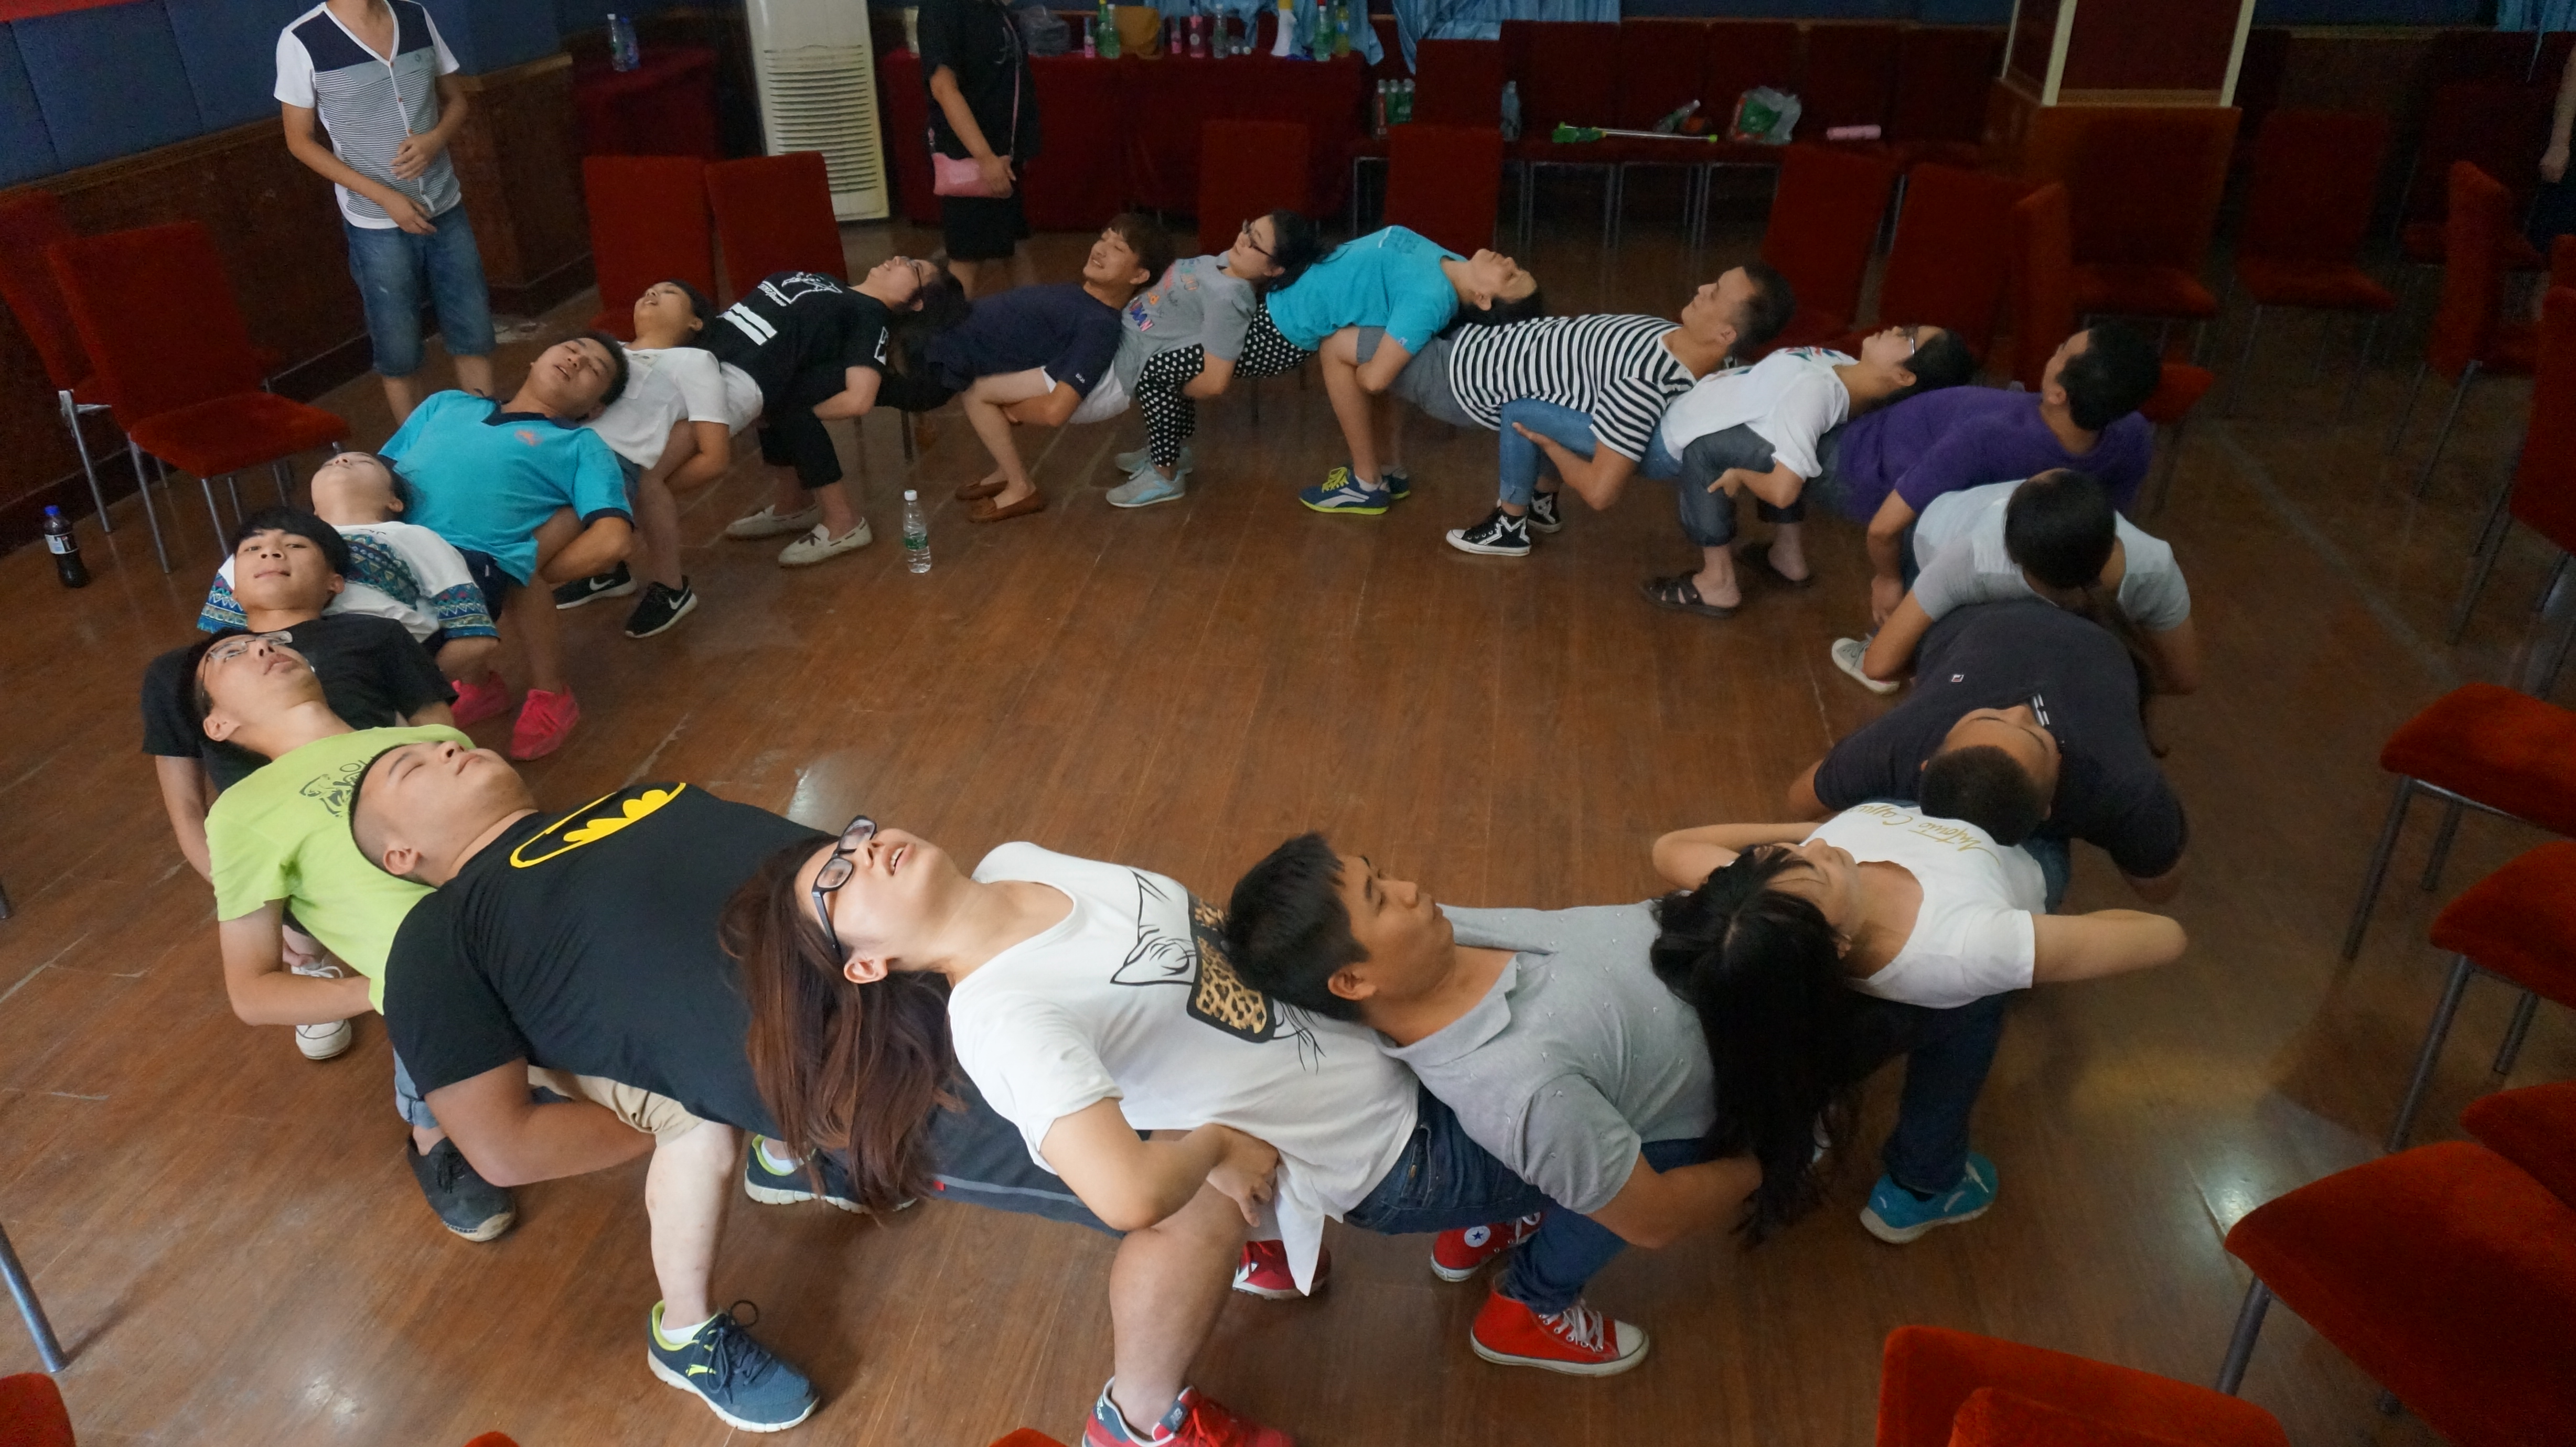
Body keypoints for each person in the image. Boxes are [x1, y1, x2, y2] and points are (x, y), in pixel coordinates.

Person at [726, 822, 1626, 1445]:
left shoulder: (1015, 863)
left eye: (852, 838)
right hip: (1398, 1155)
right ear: (867, 965)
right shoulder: (1005, 1017)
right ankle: (1524, 1297)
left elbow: (1171, 997)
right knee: (1649, 1136)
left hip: (1392, 1048)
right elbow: (1125, 1195)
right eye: (838, 880)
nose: (862, 850)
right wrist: (1217, 1147)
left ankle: (1482, 1228)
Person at [348, 749, 1141, 1430]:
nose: (447, 748)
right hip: (870, 1076)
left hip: (943, 961)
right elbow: (502, 1145)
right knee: (1145, 1176)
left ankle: (795, 1162)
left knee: (1155, 1047)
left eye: (443, 742)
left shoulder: (638, 797)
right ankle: (687, 1335)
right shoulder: (437, 936)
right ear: (401, 855)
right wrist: (693, 1108)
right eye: (412, 767)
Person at [1219, 836, 1763, 1376]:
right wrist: (1769, 1161)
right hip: (1708, 1068)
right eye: (1379, 899)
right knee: (1614, 1177)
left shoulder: (1431, 945)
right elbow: (1653, 1218)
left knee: (1576, 1161)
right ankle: (1529, 1308)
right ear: (1354, 980)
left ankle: (1508, 1217)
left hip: (1696, 1002)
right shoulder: (1525, 1092)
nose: (1408, 888)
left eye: (1380, 873)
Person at [1646, 806, 2184, 1241]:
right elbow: (2165, 937)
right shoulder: (1974, 947)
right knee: (1974, 1008)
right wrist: (2037, 947)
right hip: (2010, 855)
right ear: (1837, 944)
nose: (1821, 846)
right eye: (1819, 868)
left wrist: (1800, 832)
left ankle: (1916, 1175)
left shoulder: (1763, 911)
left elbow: (1669, 847)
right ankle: (1926, 1183)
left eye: (1790, 853)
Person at [189, 631, 512, 1241]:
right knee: (444, 1002)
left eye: (269, 642)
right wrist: (387, 988)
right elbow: (252, 992)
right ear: (219, 725)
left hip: (523, 938)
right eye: (230, 655)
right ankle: (433, 1136)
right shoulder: (241, 811)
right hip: (438, 997)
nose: (262, 649)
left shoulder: (431, 744)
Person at [143, 510, 454, 1060]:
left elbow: (437, 727)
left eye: (295, 545)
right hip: (275, 850)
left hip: (386, 810)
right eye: (252, 548)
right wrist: (251, 896)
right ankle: (310, 969)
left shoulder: (373, 634)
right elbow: (186, 804)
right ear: (231, 586)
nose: (271, 553)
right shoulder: (186, 672)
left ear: (335, 581)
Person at [1788, 599, 2190, 909]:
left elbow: (2161, 887)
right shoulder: (1904, 738)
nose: (2018, 711)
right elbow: (1799, 800)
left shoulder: (2124, 785)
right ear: (1927, 761)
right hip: (1985, 623)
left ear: (2049, 804)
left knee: (2027, 867)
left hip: (2046, 628)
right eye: (1991, 716)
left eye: (2037, 736)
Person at [1412, 263, 1796, 559]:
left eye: (1715, 295)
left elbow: (1600, 493)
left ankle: (1508, 526)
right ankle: (1541, 505)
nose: (1702, 288)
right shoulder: (1698, 349)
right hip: (1488, 343)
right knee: (1558, 402)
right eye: (1714, 282)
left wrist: (1552, 445)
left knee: (1523, 413)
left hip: (1464, 376)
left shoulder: (1645, 384)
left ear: (1726, 335)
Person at [379, 334, 633, 759]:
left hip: (469, 568)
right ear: (535, 358)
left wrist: (521, 566)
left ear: (595, 409)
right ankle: (480, 687)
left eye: (595, 368)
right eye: (573, 348)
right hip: (392, 547)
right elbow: (377, 476)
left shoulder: (580, 446)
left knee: (397, 677)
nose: (576, 360)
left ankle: (552, 695)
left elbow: (613, 539)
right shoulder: (445, 404)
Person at [1831, 323, 2162, 625]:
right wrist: (1888, 580)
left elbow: (2102, 530)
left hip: (1880, 457)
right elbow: (1884, 528)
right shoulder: (2132, 432)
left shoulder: (1994, 438)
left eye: (2062, 350)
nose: (2055, 350)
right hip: (1865, 451)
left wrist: (1887, 580)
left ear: (2058, 395)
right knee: (1927, 554)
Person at [1639, 325, 1978, 614]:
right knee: (1782, 442)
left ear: (1904, 376)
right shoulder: (1844, 370)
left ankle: (1718, 582)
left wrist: (1741, 475)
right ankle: (1787, 557)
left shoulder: (1815, 393)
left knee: (1707, 450)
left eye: (1908, 337)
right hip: (1745, 413)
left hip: (1687, 436)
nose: (1895, 329)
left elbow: (1782, 490)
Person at [276, 0, 492, 423]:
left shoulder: (414, 15)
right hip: (375, 222)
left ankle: (487, 435)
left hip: (445, 203)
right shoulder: (302, 38)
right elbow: (299, 141)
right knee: (399, 347)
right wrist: (384, 197)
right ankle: (412, 451)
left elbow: (457, 101)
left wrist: (435, 140)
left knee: (474, 330)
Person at [1839, 470, 2198, 699]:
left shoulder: (1979, 561)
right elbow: (2181, 679)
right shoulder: (2153, 568)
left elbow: (1878, 664)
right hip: (1937, 533)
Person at [716, 258, 968, 567]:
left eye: (914, 267)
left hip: (796, 377)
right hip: (758, 357)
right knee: (783, 396)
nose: (899, 259)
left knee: (789, 400)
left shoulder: (870, 313)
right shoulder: (836, 285)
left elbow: (859, 399)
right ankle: (793, 505)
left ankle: (844, 523)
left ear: (917, 302)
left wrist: (793, 410)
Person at [1273, 226, 1542, 514]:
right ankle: (1388, 468)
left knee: (1337, 346)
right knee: (1367, 344)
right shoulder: (1456, 266)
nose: (1510, 262)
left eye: (1510, 277)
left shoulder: (1429, 297)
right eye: (1517, 268)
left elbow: (1375, 381)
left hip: (1449, 381)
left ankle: (1366, 484)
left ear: (1483, 299)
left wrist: (1362, 372)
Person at [919, 217, 1172, 523]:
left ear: (1139, 275)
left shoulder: (1100, 326)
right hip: (957, 337)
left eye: (1118, 248)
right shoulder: (1080, 296)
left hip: (945, 354)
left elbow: (1057, 410)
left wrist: (1011, 409)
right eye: (1103, 238)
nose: (1100, 249)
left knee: (976, 392)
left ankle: (1021, 488)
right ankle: (1007, 472)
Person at [554, 280, 764, 637]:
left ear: (695, 322)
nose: (651, 293)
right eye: (648, 290)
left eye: (669, 292)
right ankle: (609, 574)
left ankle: (671, 588)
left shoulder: (694, 361)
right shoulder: (610, 351)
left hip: (625, 457)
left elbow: (713, 452)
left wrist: (643, 491)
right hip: (571, 446)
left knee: (644, 480)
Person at [199, 453, 499, 683]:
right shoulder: (258, 547)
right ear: (314, 508)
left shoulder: (415, 537)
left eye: (364, 461)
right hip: (280, 674)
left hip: (383, 666)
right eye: (328, 463)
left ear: (394, 501)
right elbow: (219, 650)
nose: (341, 460)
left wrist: (414, 691)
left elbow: (474, 636)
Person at [1103, 211, 1327, 510]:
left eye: (1255, 243)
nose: (1243, 239)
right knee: (1160, 378)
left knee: (1155, 377)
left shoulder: (1229, 298)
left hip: (1144, 350)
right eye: (1248, 228)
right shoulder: (1224, 262)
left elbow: (1216, 380)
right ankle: (1170, 450)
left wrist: (1175, 389)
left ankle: (1163, 473)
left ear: (1274, 269)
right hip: (1139, 329)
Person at [919, 0, 1040, 295]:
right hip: (970, 158)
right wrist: (984, 157)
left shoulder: (993, 8)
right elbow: (944, 88)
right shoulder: (942, 9)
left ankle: (1038, 320)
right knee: (967, 259)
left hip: (1003, 156)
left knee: (1015, 247)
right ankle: (949, 325)